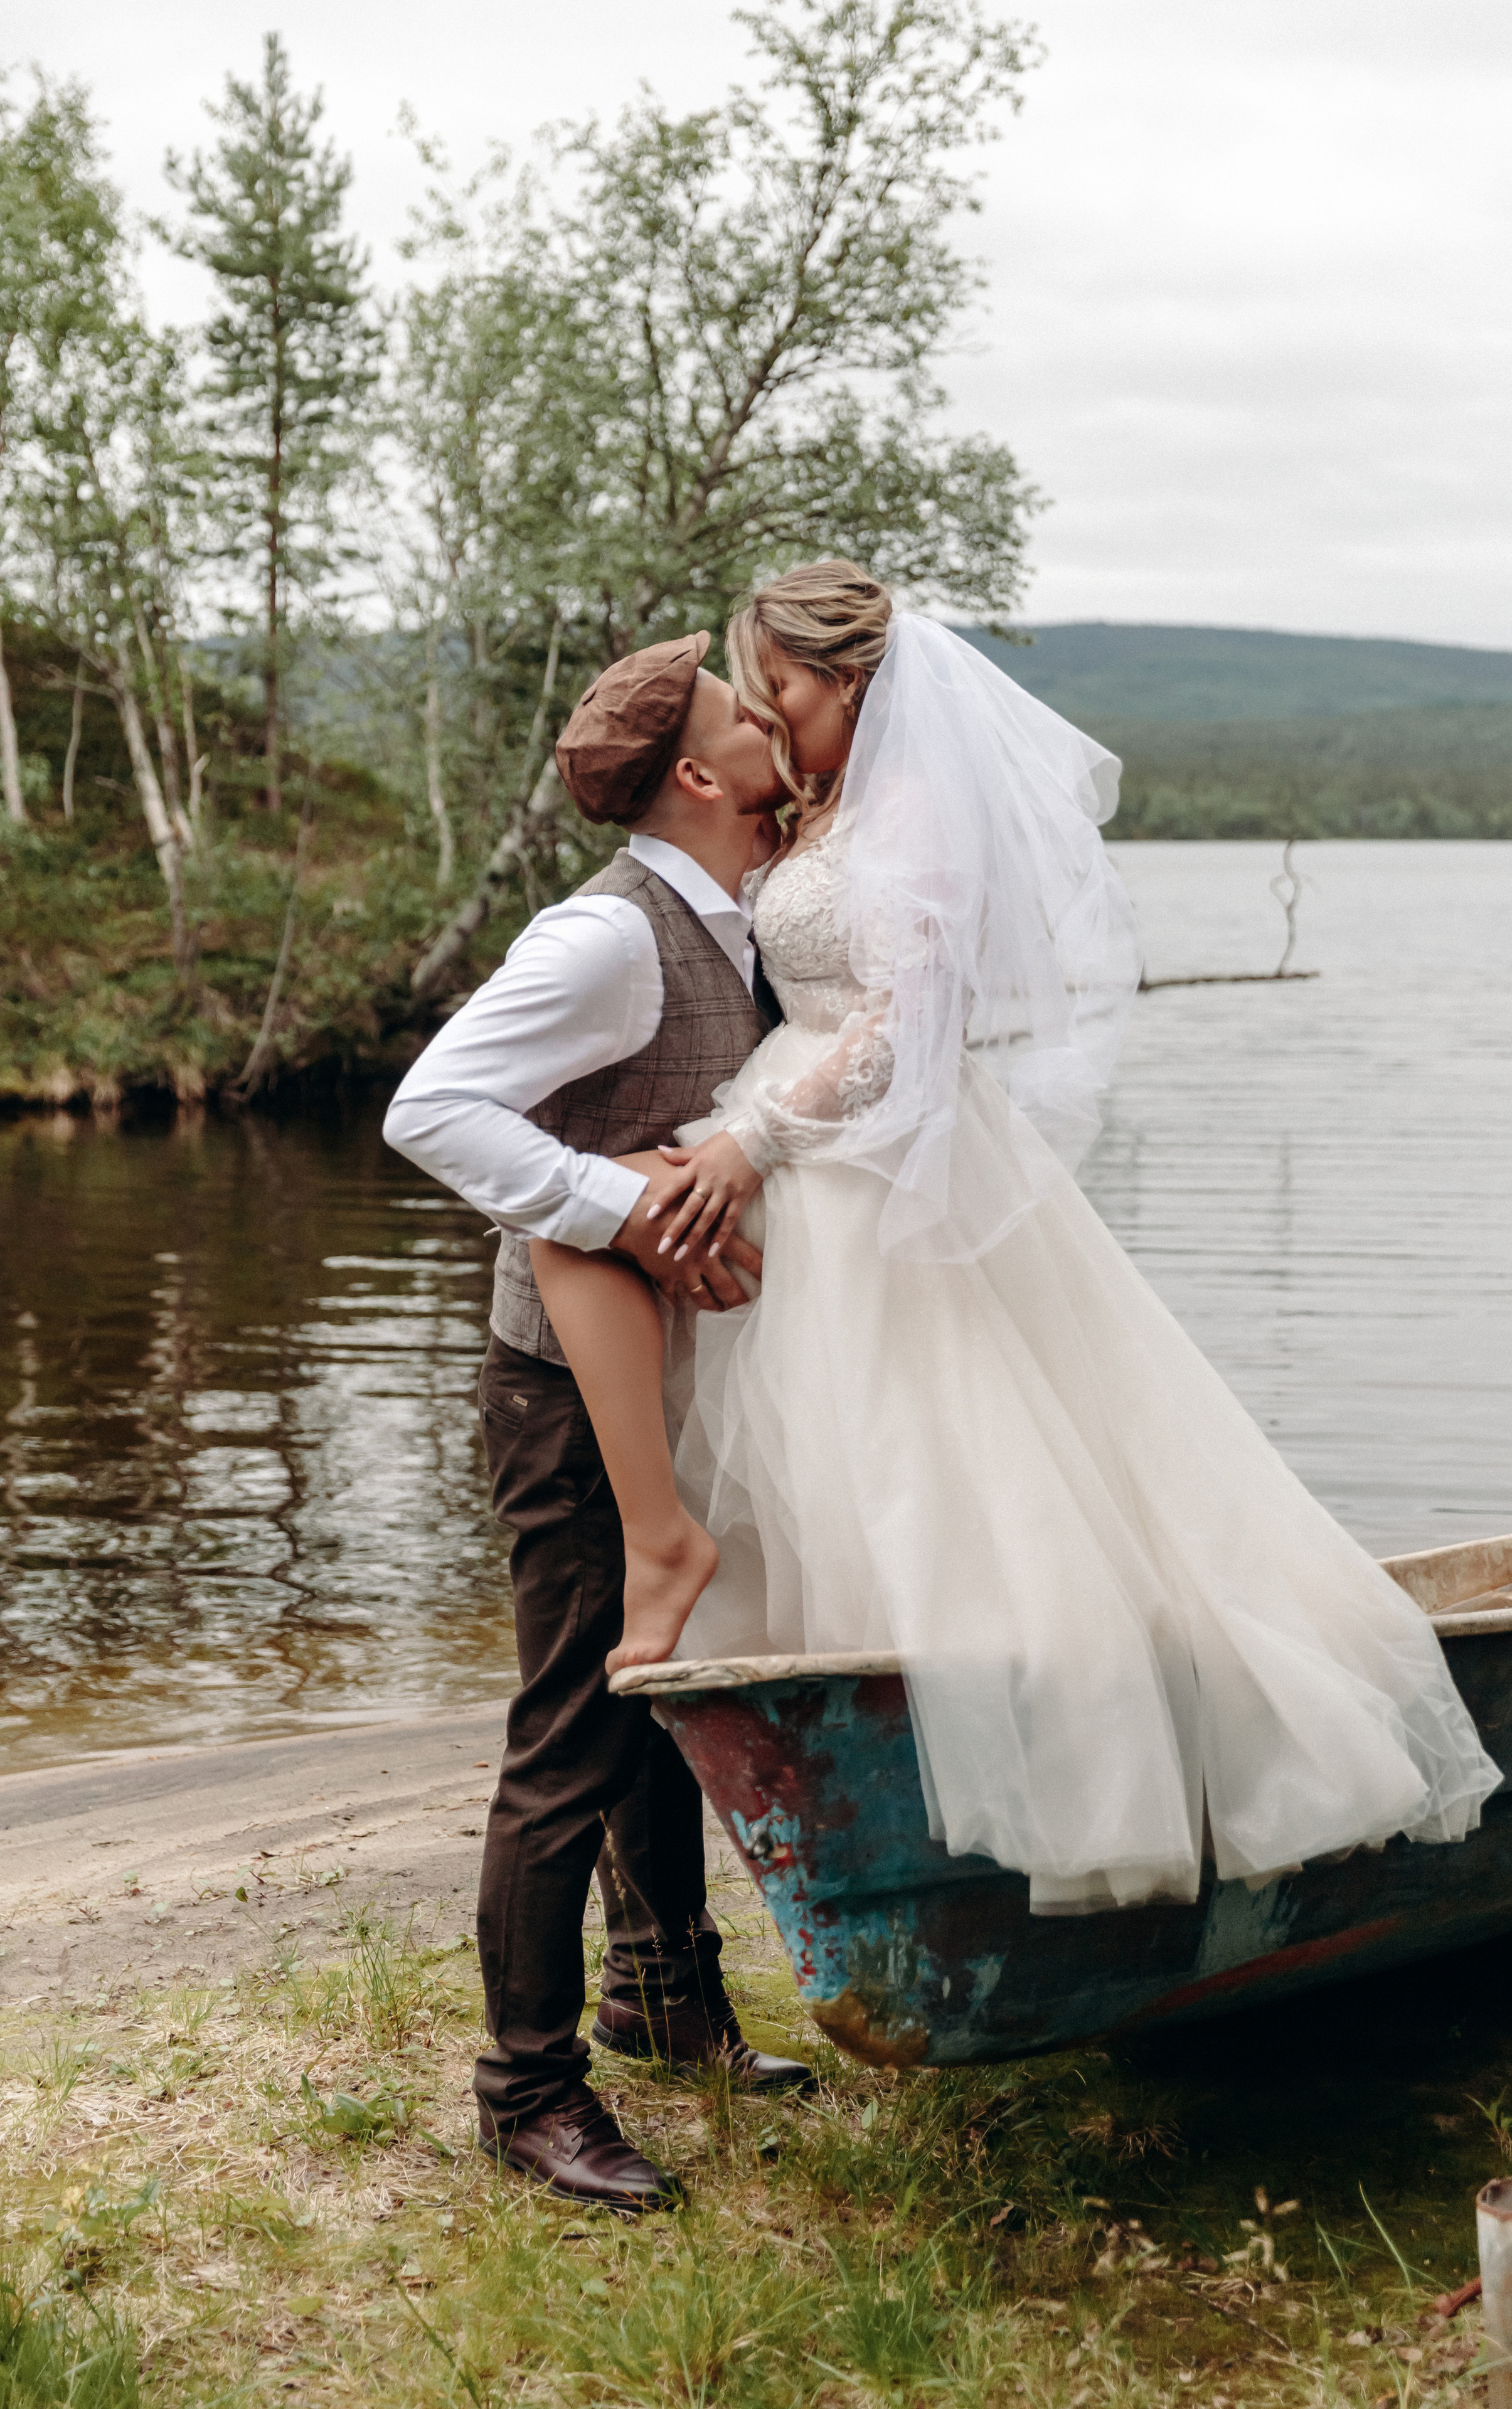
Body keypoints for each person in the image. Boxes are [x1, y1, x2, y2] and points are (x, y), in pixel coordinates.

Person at [601, 559, 1503, 1916]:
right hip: (803, 1157)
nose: (774, 716)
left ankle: (1031, 1810)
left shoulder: (917, 812)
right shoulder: (823, 799)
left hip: (873, 1160)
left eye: (783, 687)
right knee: (838, 1484)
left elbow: (906, 1026)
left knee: (952, 1475)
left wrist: (753, 1141)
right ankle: (869, 1825)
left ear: (850, 680)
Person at [383, 632, 814, 2218]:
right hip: (563, 1391)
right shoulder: (606, 940)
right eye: (740, 715)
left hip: (673, 1374)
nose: (770, 724)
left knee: (661, 1691)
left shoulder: (739, 905)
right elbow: (427, 1110)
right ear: (696, 774)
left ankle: (666, 2000)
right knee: (571, 1726)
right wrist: (614, 1207)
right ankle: (527, 2092)